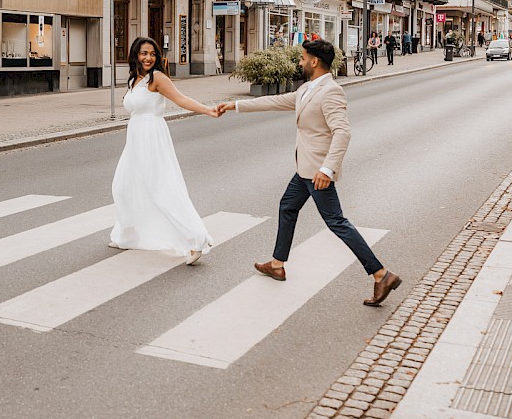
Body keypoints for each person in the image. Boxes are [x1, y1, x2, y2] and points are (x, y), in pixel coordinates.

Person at [216, 40, 402, 306]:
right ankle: (278, 264)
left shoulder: (331, 92)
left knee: (337, 222)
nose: (300, 62)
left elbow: (343, 132)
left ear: (314, 61)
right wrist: (234, 105)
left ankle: (381, 274)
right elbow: (276, 101)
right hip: (305, 168)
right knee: (287, 206)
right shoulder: (307, 89)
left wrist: (327, 168)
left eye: (303, 57)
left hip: (317, 171)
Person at [110, 37, 221, 264]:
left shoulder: (157, 78)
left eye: (152, 54)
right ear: (135, 55)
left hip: (152, 136)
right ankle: (127, 234)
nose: (148, 58)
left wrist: (207, 110)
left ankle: (195, 241)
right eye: (143, 53)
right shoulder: (134, 78)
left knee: (161, 189)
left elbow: (181, 99)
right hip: (135, 138)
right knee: (123, 186)